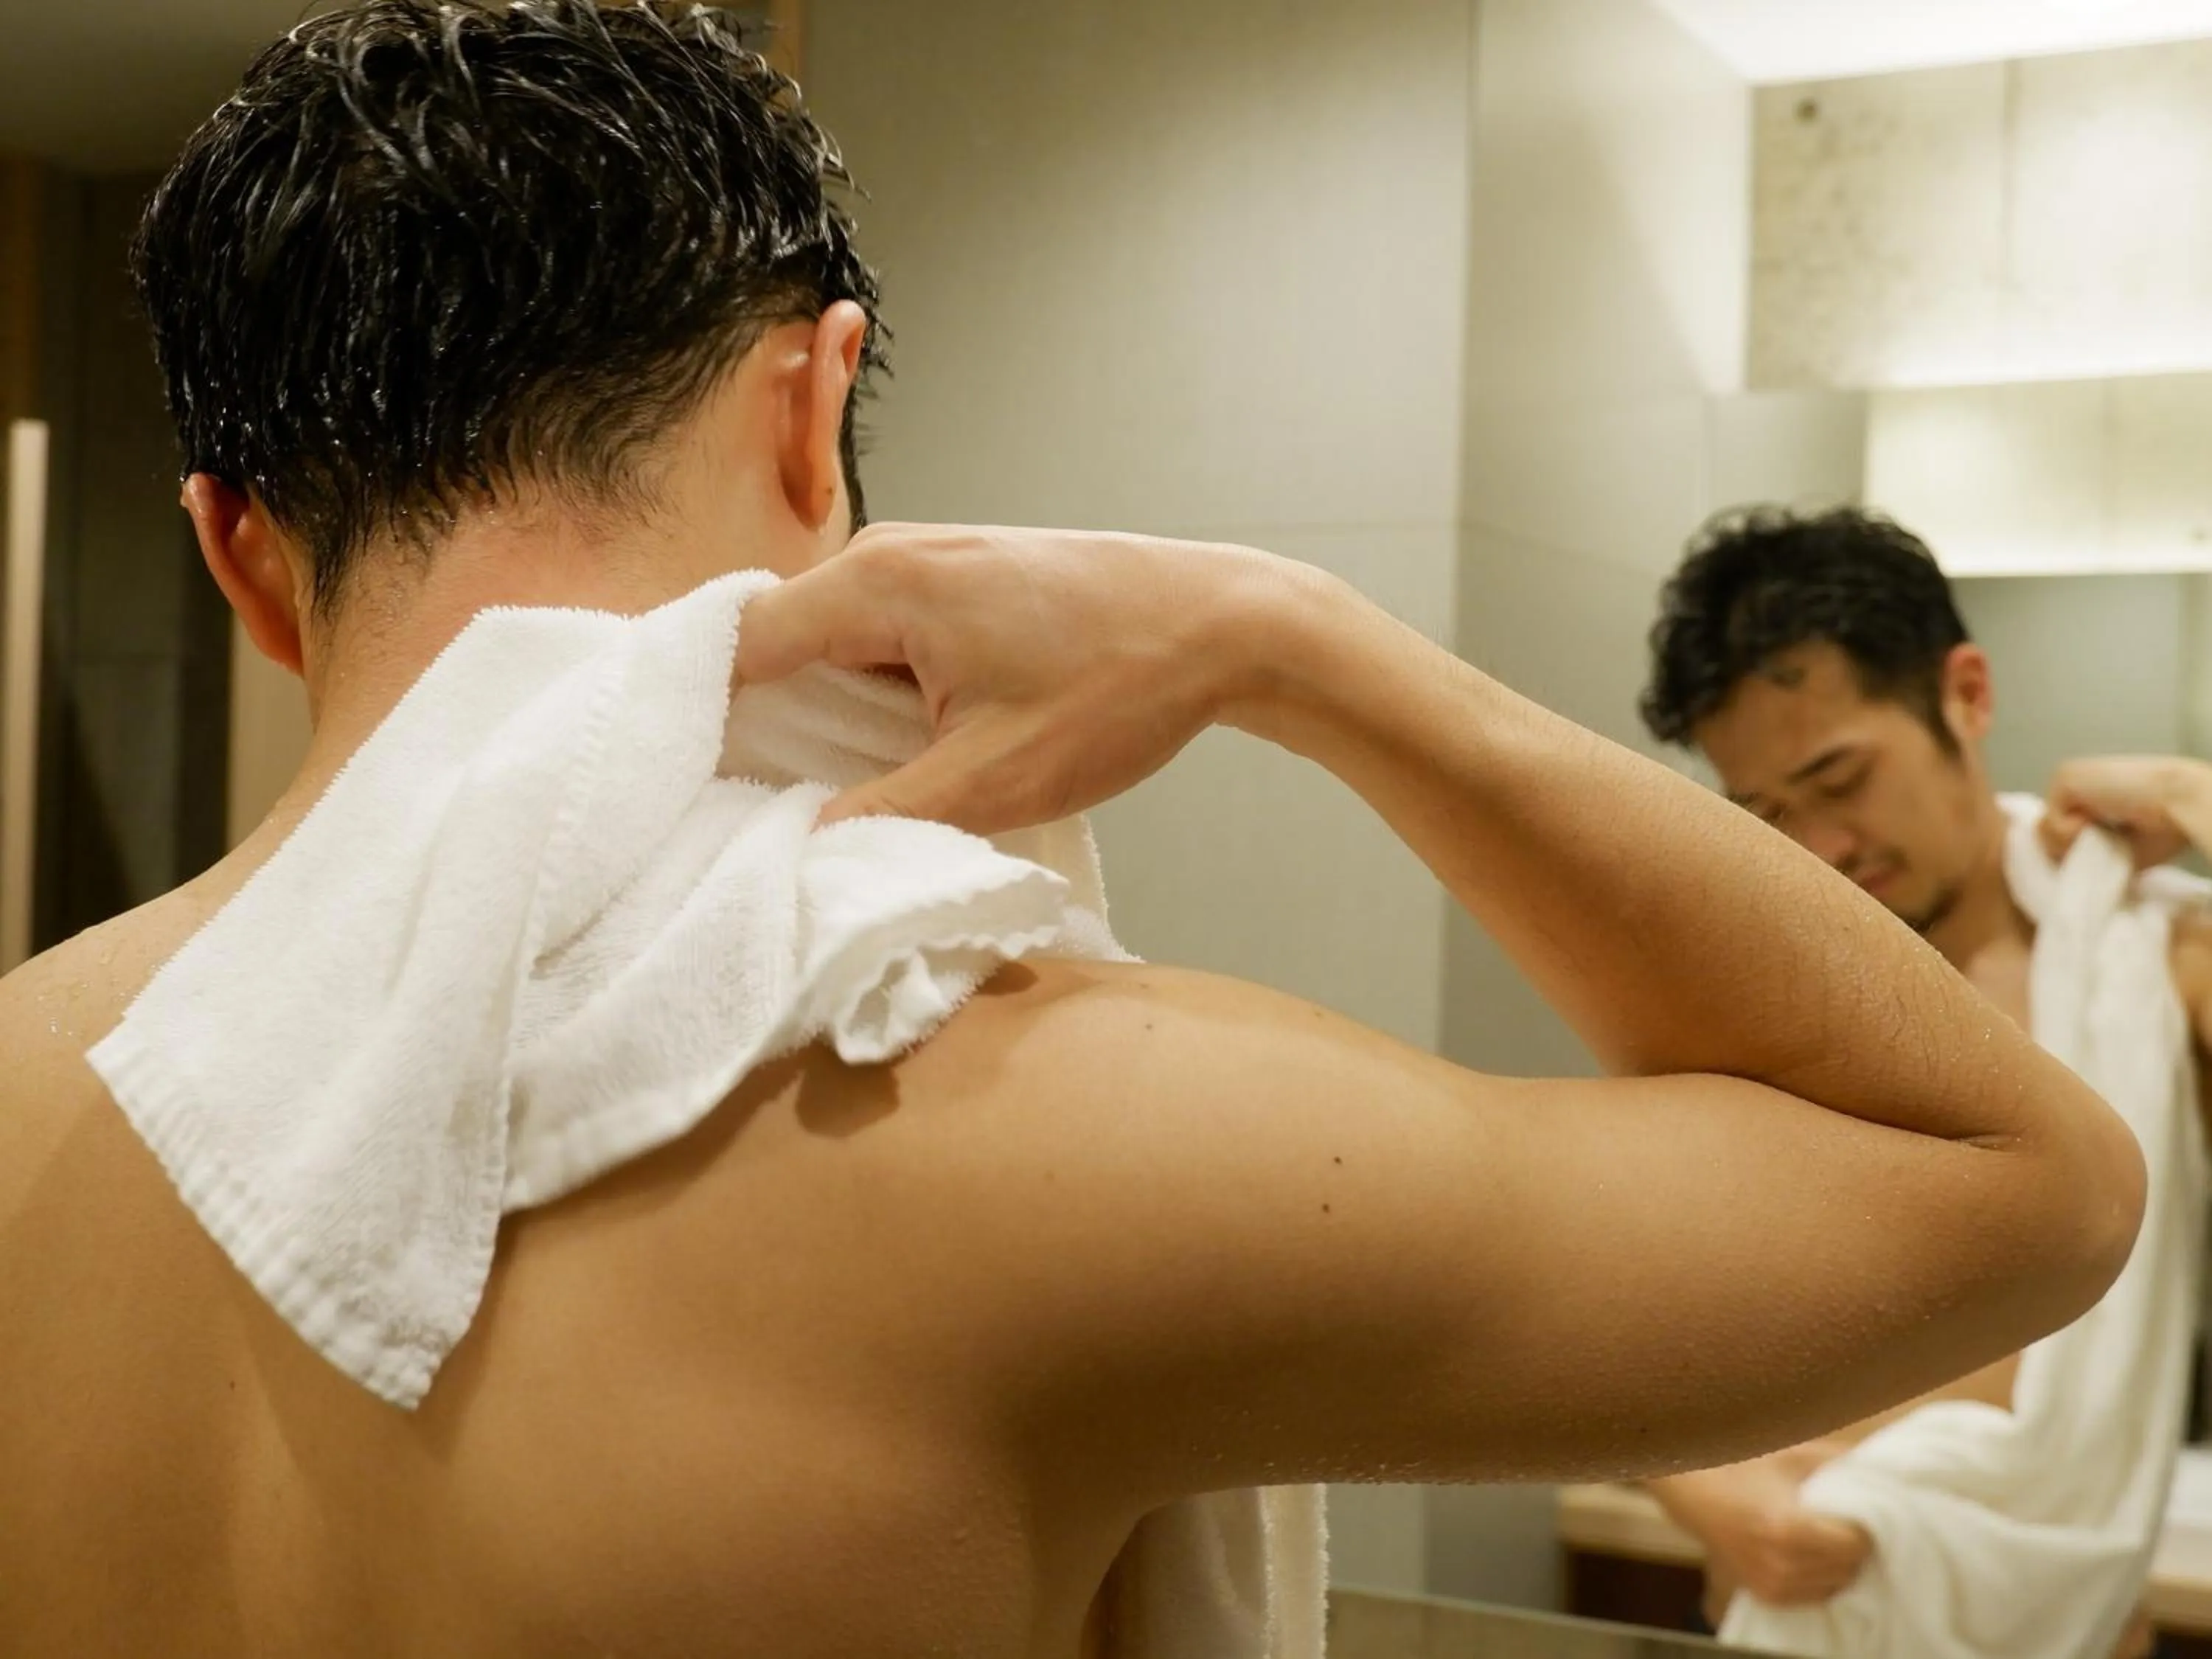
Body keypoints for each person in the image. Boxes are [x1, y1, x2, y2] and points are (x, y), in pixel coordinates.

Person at [0, 7, 2144, 1656]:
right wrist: (1294, 640)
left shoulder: (27, 1085)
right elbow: (2017, 1185)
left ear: (238, 554)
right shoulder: (994, 1111)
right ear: (813, 409)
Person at [1637, 504, 2212, 1655]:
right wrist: (1702, 1490)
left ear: (1967, 693)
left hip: (2062, 1622)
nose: (1824, 848)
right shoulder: (1749, 1004)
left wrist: (2195, 794)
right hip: (1790, 1597)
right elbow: (1613, 1308)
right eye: (1768, 812)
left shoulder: (2150, 962)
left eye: (1839, 776)